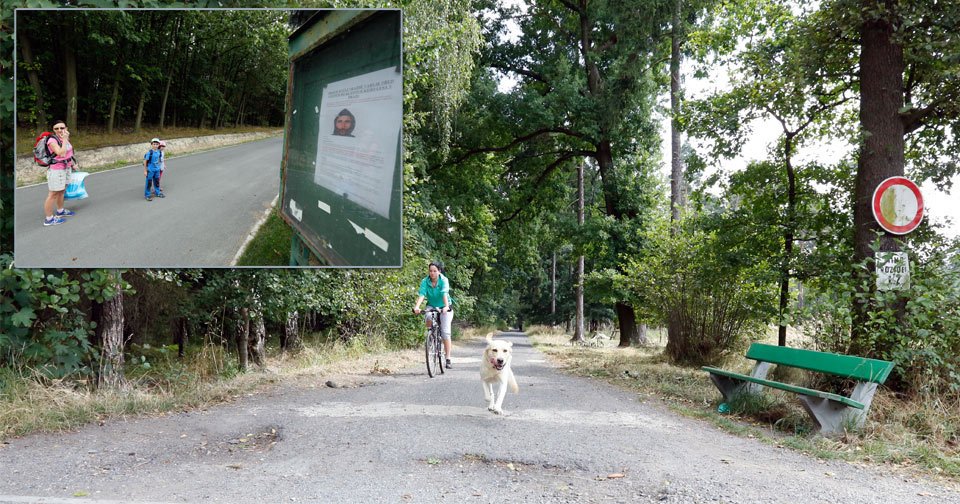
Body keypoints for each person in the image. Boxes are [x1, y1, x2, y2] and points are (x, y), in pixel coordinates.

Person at [413, 261, 454, 368]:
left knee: (445, 333)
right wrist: (417, 307)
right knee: (427, 315)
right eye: (430, 271)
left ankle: (448, 358)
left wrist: (446, 307)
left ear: (439, 271)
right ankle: (431, 335)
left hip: (444, 306)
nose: (432, 273)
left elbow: (444, 293)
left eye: (435, 271)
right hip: (431, 305)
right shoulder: (425, 281)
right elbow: (422, 294)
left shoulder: (444, 280)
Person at [42, 120, 77, 226]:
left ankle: (60, 211)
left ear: (66, 128)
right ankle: (49, 219)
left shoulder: (64, 138)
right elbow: (61, 153)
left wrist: (73, 164)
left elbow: (68, 153)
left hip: (66, 167)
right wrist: (65, 139)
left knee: (61, 191)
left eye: (62, 128)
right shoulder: (52, 140)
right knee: (52, 194)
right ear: (53, 130)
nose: (59, 130)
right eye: (56, 128)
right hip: (56, 170)